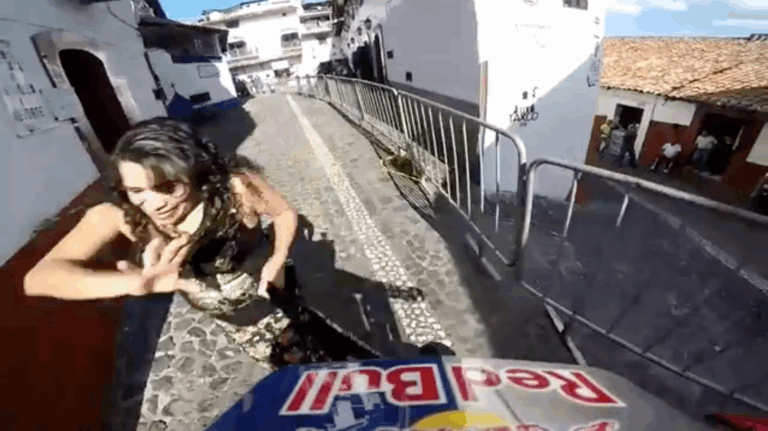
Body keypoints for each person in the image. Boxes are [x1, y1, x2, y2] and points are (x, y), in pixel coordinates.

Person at [24, 117, 299, 322]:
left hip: (281, 300)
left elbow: (283, 213)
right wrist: (136, 284)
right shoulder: (122, 214)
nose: (155, 204)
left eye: (169, 187)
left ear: (195, 173)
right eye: (136, 191)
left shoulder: (235, 188)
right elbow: (38, 279)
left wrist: (278, 258)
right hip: (236, 324)